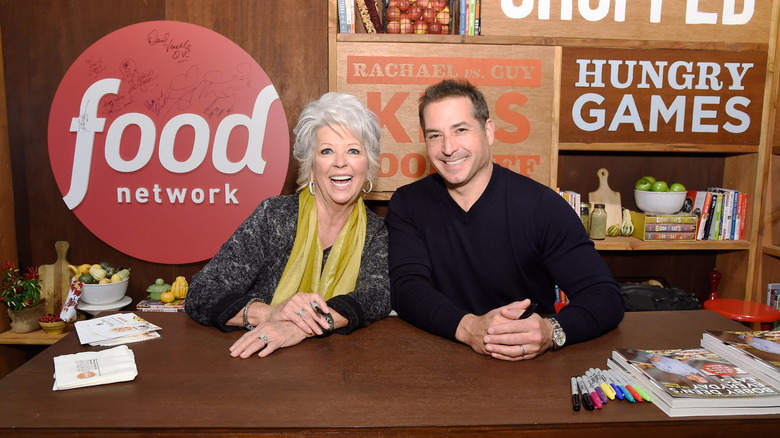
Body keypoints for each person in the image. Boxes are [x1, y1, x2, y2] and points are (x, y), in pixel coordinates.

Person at [385, 79, 624, 361]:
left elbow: (604, 295)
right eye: (435, 135)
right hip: (438, 359)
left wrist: (551, 331)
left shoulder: (541, 205)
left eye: (460, 130)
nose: (448, 148)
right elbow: (407, 288)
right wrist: (468, 328)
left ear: (488, 131)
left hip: (526, 366)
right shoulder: (408, 203)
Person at [186, 92, 391, 358]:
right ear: (311, 165)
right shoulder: (275, 216)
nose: (341, 162)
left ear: (369, 164)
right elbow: (201, 292)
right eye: (326, 151)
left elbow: (377, 296)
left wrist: (302, 327)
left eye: (353, 150)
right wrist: (271, 313)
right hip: (255, 366)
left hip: (337, 375)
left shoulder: (375, 232)